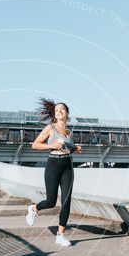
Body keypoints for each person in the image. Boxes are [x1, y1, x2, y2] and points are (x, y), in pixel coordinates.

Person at [25, 98, 82, 246]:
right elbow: (35, 145)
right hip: (53, 165)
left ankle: (60, 235)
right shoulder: (51, 128)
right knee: (51, 201)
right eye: (57, 110)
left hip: (68, 166)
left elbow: (67, 148)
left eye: (62, 109)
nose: (59, 112)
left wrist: (75, 149)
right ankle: (34, 208)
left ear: (67, 112)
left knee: (66, 201)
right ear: (55, 114)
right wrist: (52, 145)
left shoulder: (70, 132)